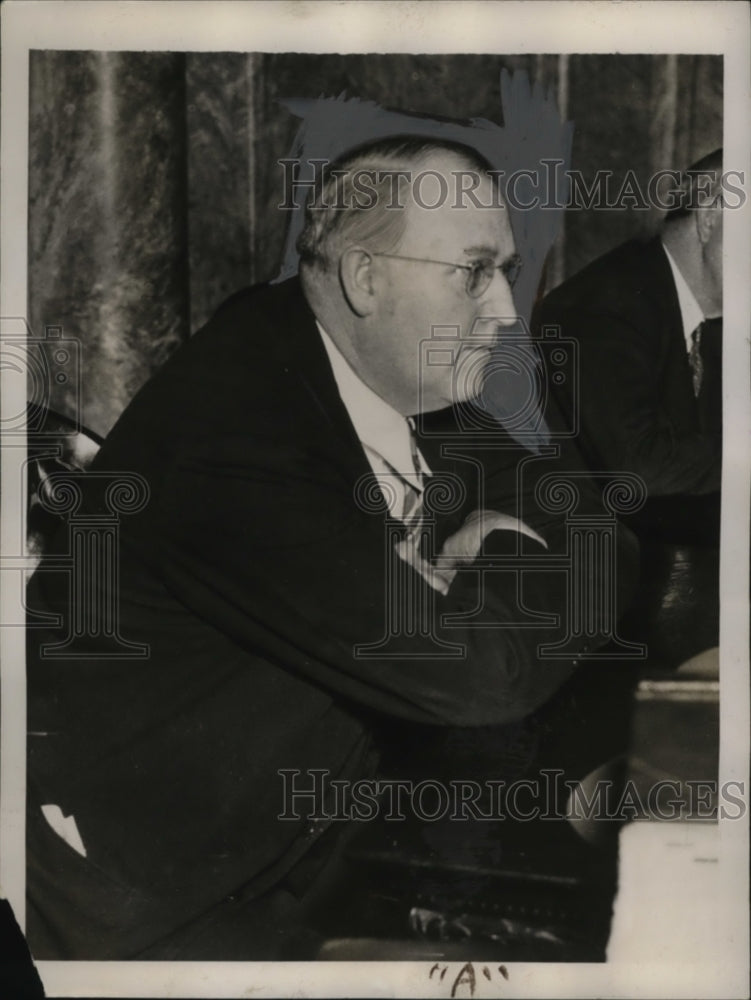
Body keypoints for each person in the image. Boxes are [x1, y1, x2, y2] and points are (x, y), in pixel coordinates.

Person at [26, 135, 638, 960]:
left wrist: (477, 565)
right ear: (363, 276)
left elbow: (600, 529)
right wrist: (489, 556)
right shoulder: (237, 437)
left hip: (280, 858)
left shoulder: (377, 365)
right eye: (473, 272)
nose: (503, 310)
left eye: (506, 272)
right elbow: (480, 680)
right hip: (129, 904)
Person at [537, 149, 723, 545]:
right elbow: (637, 467)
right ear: (710, 218)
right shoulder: (606, 305)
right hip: (569, 561)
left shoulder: (714, 321)